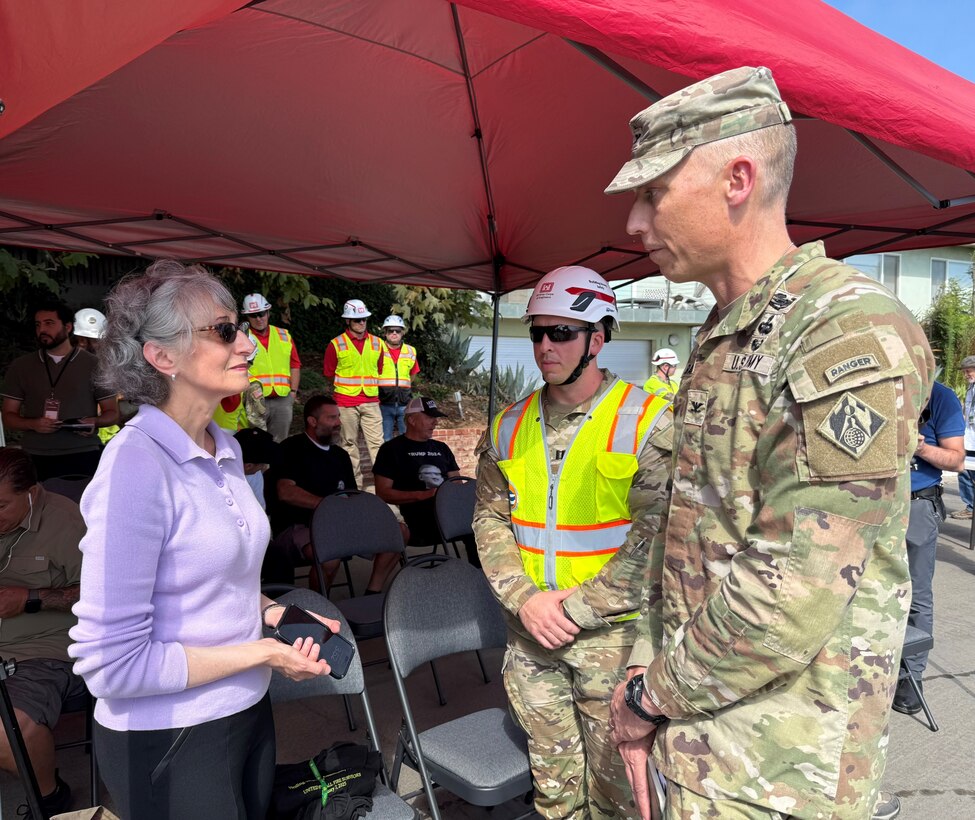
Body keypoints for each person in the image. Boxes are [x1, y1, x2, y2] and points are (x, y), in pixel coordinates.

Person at [604, 66, 933, 820]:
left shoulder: (843, 329)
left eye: (653, 193)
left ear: (737, 180)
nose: (634, 224)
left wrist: (648, 697)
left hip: (776, 772)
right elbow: (684, 537)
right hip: (698, 740)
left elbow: (794, 583)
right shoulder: (728, 332)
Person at [68, 261, 337, 819]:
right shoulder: (134, 466)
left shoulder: (225, 448)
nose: (247, 344)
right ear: (162, 357)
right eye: (224, 330)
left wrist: (274, 615)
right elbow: (112, 665)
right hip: (171, 738)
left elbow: (214, 579)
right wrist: (264, 653)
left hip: (246, 710)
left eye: (239, 328)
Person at [473, 265, 673, 818]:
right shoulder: (508, 425)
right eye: (537, 332)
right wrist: (524, 600)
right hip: (533, 638)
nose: (545, 346)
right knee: (555, 794)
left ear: (598, 338)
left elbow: (660, 537)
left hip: (613, 641)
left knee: (619, 799)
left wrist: (575, 608)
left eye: (561, 332)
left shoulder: (647, 420)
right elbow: (489, 517)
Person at [0, 448, 86, 818]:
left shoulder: (65, 521)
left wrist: (30, 598)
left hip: (42, 652)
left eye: (1, 505)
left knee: (8, 733)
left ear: (32, 493)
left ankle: (49, 796)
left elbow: (102, 593)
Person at [266, 394, 400, 591]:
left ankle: (373, 591)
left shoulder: (341, 455)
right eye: (331, 418)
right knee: (330, 555)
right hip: (299, 526)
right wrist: (330, 506)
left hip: (340, 524)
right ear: (312, 421)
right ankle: (318, 604)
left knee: (398, 532)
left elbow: (352, 495)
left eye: (338, 417)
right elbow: (286, 492)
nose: (338, 423)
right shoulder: (291, 448)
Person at [892, 381, 964, 716]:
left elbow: (957, 461)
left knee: (917, 593)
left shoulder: (940, 397)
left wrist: (919, 447)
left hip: (917, 506)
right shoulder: (875, 385)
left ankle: (912, 675)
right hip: (870, 506)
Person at [1, 301, 120, 480]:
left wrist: (94, 422)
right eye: (38, 324)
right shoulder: (21, 366)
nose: (42, 330)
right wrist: (33, 424)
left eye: (49, 323)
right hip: (35, 454)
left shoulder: (95, 365)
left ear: (68, 327)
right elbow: (8, 416)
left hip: (82, 453)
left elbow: (113, 414)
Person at [373, 396, 477, 564]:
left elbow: (457, 484)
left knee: (484, 520)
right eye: (429, 417)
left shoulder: (441, 448)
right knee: (473, 522)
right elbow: (383, 493)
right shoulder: (391, 450)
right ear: (411, 420)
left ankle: (480, 573)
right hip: (420, 520)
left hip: (451, 514)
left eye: (436, 417)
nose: (435, 422)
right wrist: (424, 495)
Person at [323, 299, 386, 485]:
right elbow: (329, 373)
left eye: (364, 319)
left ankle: (383, 485)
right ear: (347, 321)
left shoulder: (378, 343)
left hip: (371, 400)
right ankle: (355, 486)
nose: (362, 322)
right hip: (345, 402)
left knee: (378, 445)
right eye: (357, 319)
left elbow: (379, 369)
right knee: (348, 444)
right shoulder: (336, 344)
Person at [241, 293, 300, 442]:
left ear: (268, 313)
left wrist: (293, 392)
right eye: (253, 315)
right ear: (247, 317)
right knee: (256, 444)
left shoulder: (284, 335)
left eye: (261, 313)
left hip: (282, 399)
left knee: (280, 443)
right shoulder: (242, 337)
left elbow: (295, 365)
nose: (258, 318)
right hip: (254, 401)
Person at [377, 314, 419, 441]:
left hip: (404, 403)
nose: (394, 333)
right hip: (384, 403)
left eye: (398, 330)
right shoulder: (377, 349)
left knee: (407, 439)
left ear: (402, 333)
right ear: (385, 333)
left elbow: (413, 373)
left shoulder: (410, 351)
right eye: (391, 330)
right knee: (386, 440)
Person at [950, 355, 975, 519]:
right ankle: (971, 507)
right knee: (965, 472)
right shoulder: (971, 388)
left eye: (968, 371)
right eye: (964, 372)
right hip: (969, 439)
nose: (966, 375)